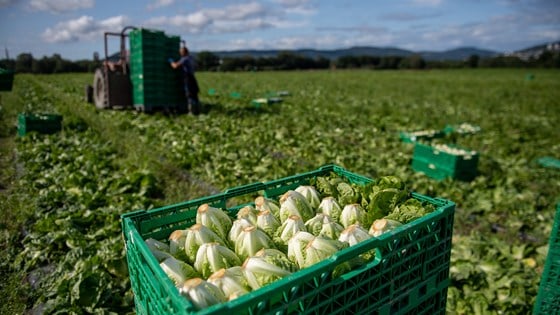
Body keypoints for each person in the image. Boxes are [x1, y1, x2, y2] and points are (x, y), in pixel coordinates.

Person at [169, 46, 201, 115]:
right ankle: (197, 110)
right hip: (192, 77)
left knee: (189, 95)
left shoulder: (184, 59)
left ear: (183, 52)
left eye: (181, 52)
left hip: (188, 78)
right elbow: (197, 65)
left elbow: (175, 66)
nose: (180, 53)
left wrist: (171, 61)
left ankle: (191, 112)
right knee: (194, 95)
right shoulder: (191, 58)